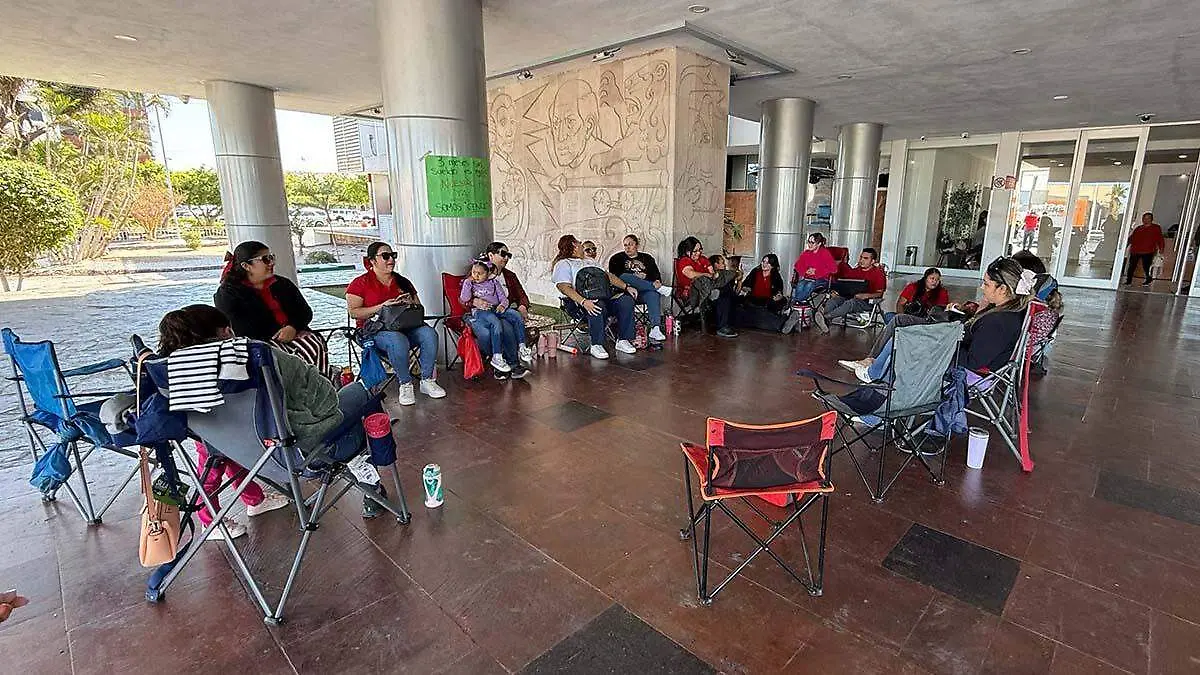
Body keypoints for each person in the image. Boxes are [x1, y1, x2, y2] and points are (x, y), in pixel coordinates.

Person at [158, 304, 401, 520]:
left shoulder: (172, 377)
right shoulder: (255, 356)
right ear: (225, 332)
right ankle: (373, 489)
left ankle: (365, 477)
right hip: (306, 455)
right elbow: (326, 401)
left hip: (251, 462)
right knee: (362, 394)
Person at [852, 257, 1033, 386]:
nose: (982, 287)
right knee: (902, 331)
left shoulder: (998, 322)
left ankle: (875, 376)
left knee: (904, 340)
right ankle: (874, 370)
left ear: (1002, 289)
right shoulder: (1005, 312)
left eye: (986, 284)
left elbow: (973, 362)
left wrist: (942, 341)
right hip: (957, 346)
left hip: (966, 370)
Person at [345, 242, 446, 405]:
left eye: (393, 255)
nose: (390, 259)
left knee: (429, 334)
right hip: (374, 330)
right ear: (372, 261)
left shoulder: (402, 281)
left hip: (405, 326)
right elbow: (354, 312)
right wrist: (382, 307)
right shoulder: (360, 283)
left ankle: (427, 380)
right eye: (385, 256)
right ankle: (405, 384)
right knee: (397, 340)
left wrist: (406, 303)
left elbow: (419, 307)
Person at [213, 240, 328, 374]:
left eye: (271, 257)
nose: (271, 263)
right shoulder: (228, 294)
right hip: (260, 344)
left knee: (314, 344)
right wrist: (279, 335)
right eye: (265, 259)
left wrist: (293, 327)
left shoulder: (282, 284)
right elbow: (240, 329)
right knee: (302, 350)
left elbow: (304, 312)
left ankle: (320, 386)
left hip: (294, 335)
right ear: (246, 266)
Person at [838, 267, 951, 373]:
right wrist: (903, 317)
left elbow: (941, 312)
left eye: (937, 280)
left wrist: (902, 319)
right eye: (932, 278)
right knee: (890, 317)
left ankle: (871, 357)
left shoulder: (942, 292)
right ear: (925, 278)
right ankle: (882, 352)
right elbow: (900, 304)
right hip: (909, 316)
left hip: (926, 320)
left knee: (895, 321)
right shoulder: (914, 287)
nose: (934, 282)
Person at [551, 234, 639, 359]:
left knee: (626, 301)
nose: (582, 245)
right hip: (581, 304)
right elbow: (563, 287)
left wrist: (626, 287)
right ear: (574, 246)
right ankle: (596, 344)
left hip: (605, 298)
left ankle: (623, 340)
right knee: (597, 305)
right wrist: (583, 301)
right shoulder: (564, 264)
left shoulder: (590, 261)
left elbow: (607, 276)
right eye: (579, 243)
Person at [460, 258, 531, 376]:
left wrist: (504, 306)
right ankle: (498, 359)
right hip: (480, 312)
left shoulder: (502, 278)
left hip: (496, 309)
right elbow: (463, 299)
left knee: (513, 318)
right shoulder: (470, 282)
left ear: (488, 273)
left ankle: (521, 349)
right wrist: (473, 300)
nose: (506, 257)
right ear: (492, 255)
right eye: (502, 254)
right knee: (495, 326)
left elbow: (507, 297)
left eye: (480, 273)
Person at [608, 234, 672, 342]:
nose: (627, 248)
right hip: (626, 293)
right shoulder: (617, 258)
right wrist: (634, 277)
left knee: (653, 294)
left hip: (642, 292)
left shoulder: (647, 258)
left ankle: (655, 328)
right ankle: (659, 289)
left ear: (637, 245)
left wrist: (655, 280)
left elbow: (656, 276)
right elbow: (615, 278)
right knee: (625, 276)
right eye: (625, 245)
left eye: (630, 244)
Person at [674, 236, 737, 339]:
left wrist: (713, 275)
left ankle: (723, 324)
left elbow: (712, 273)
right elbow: (690, 274)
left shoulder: (703, 259)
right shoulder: (684, 261)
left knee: (726, 287)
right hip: (692, 292)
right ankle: (723, 325)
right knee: (725, 292)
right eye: (695, 251)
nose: (698, 253)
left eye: (700, 250)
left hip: (709, 288)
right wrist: (705, 274)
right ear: (687, 251)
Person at [813, 248, 887, 334]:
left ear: (873, 261)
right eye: (861, 257)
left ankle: (825, 318)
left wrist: (865, 295)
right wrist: (837, 291)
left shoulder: (878, 274)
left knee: (851, 303)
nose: (861, 260)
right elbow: (845, 284)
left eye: (865, 258)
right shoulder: (854, 271)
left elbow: (879, 294)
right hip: (848, 297)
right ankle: (823, 319)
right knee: (833, 301)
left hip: (866, 302)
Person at [790, 232, 839, 303]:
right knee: (800, 284)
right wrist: (806, 270)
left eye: (812, 243)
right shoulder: (806, 253)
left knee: (809, 285)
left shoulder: (825, 253)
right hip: (808, 278)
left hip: (822, 279)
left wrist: (816, 271)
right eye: (808, 242)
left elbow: (834, 269)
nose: (809, 244)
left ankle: (797, 302)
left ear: (819, 244)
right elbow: (797, 265)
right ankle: (799, 302)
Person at [1126, 212, 1166, 286]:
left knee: (1146, 266)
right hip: (1135, 250)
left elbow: (1160, 238)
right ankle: (1128, 281)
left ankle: (1148, 278)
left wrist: (1161, 248)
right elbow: (1132, 238)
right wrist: (1125, 245)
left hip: (1148, 250)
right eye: (1144, 218)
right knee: (1132, 266)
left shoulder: (1156, 228)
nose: (1145, 220)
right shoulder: (1138, 228)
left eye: (1148, 218)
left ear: (1151, 219)